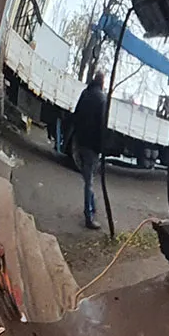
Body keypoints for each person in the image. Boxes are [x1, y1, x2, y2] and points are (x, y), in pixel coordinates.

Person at [71, 72, 106, 231]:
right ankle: (89, 216)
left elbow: (76, 115)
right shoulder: (101, 99)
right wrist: (102, 147)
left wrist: (77, 137)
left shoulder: (85, 93)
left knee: (87, 178)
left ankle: (92, 206)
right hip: (92, 145)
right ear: (102, 83)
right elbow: (101, 126)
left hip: (81, 141)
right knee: (89, 181)